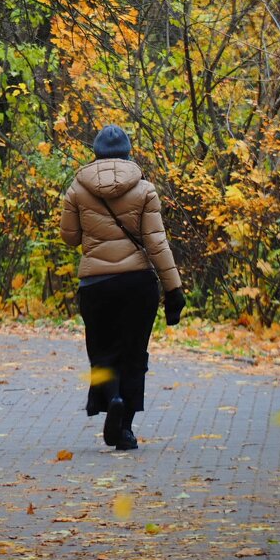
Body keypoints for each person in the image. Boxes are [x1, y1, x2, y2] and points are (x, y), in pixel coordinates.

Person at [60, 124, 185, 450]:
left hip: (96, 285)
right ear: (129, 154)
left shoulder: (77, 189)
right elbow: (157, 244)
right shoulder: (145, 190)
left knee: (102, 352)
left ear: (96, 154)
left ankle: (112, 397)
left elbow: (69, 237)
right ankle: (125, 430)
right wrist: (174, 290)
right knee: (133, 354)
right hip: (137, 284)